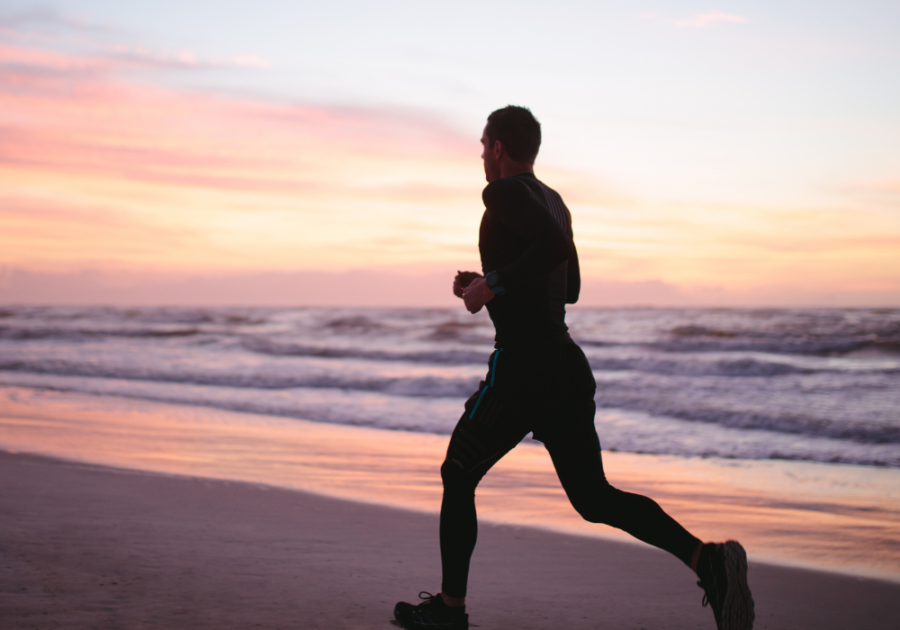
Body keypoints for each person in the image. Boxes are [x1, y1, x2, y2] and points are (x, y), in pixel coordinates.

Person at [393, 106, 754, 630]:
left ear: (497, 147)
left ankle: (449, 613)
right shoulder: (555, 201)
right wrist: (489, 279)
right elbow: (570, 286)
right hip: (563, 366)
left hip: (523, 369)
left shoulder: (503, 192)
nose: (479, 154)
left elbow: (552, 253)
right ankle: (709, 561)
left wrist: (491, 284)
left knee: (457, 473)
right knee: (594, 498)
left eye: (482, 144)